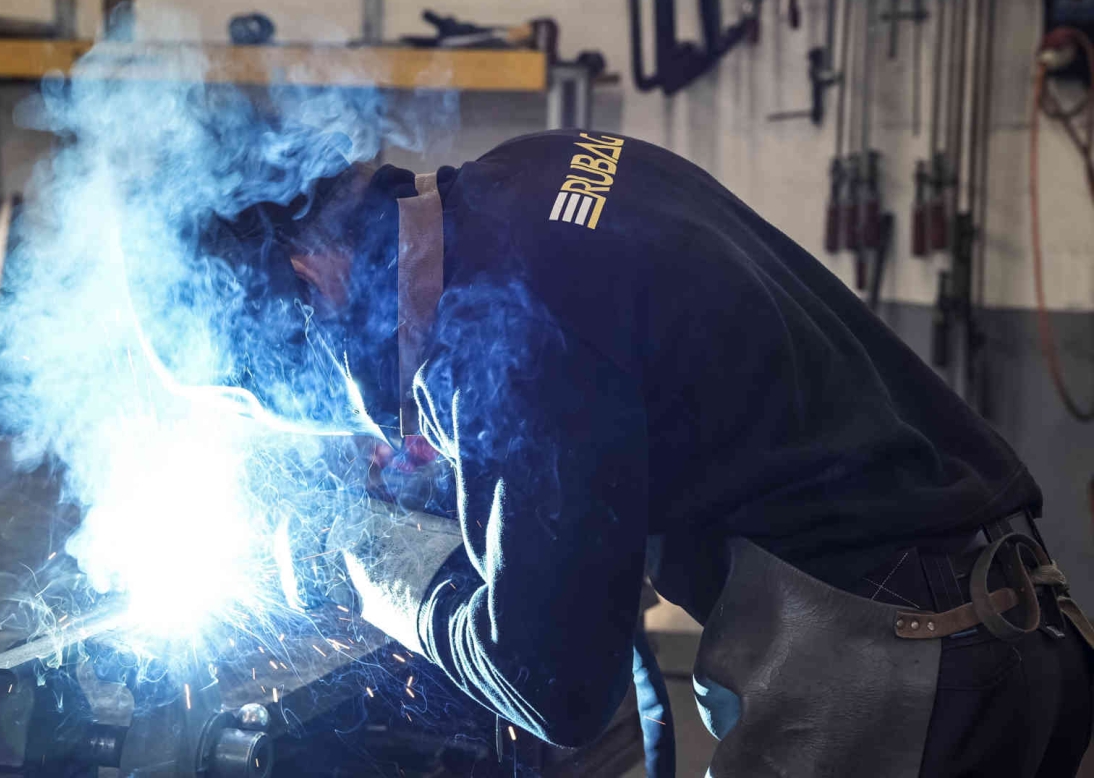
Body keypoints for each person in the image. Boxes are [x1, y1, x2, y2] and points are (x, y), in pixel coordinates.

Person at [245, 130, 1093, 777]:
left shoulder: (503, 327)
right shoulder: (536, 173)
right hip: (1022, 632)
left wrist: (362, 560)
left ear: (315, 272)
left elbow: (553, 687)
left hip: (902, 675)